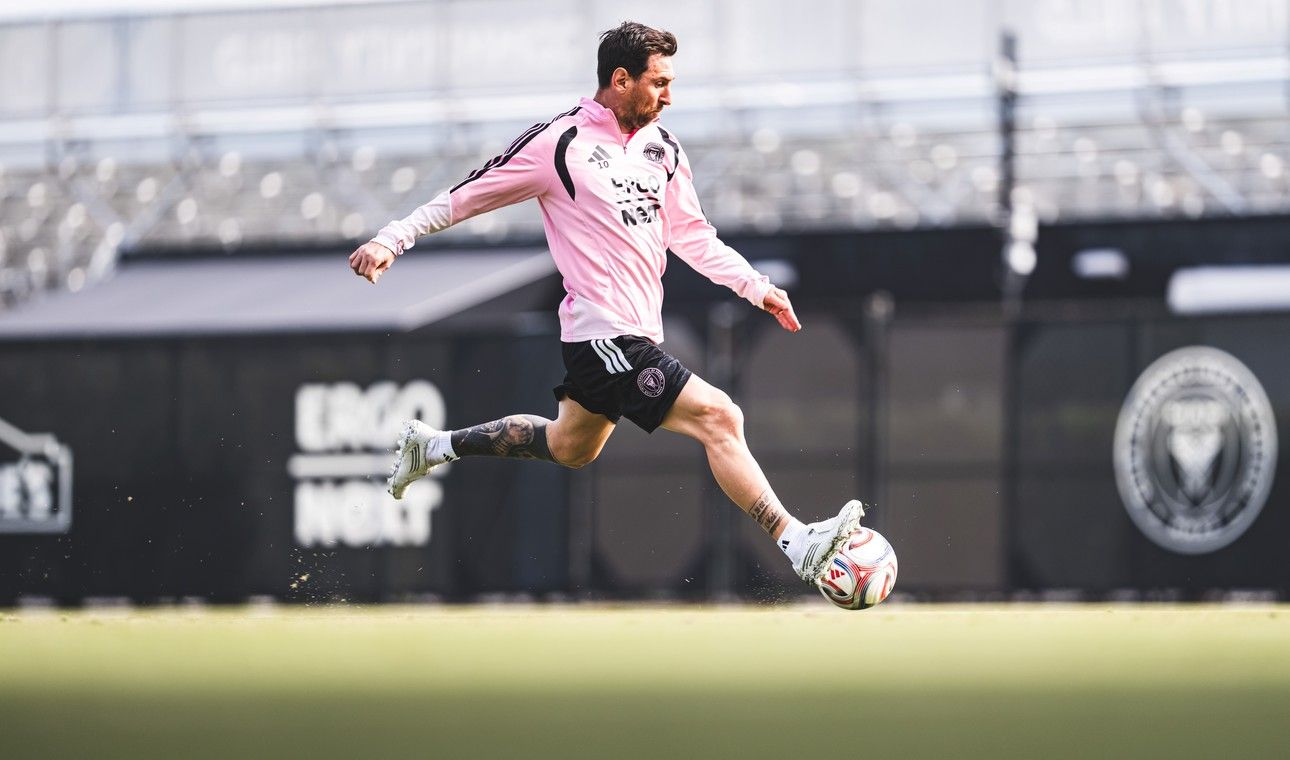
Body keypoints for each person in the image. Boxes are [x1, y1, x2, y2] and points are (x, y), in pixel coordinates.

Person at [349, 21, 865, 588]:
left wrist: (753, 285)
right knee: (721, 417)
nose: (669, 97)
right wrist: (392, 238)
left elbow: (693, 236)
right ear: (621, 80)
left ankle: (432, 446)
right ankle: (798, 542)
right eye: (659, 83)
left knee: (569, 446)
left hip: (635, 333)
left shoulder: (663, 149)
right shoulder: (559, 143)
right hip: (603, 334)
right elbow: (469, 194)